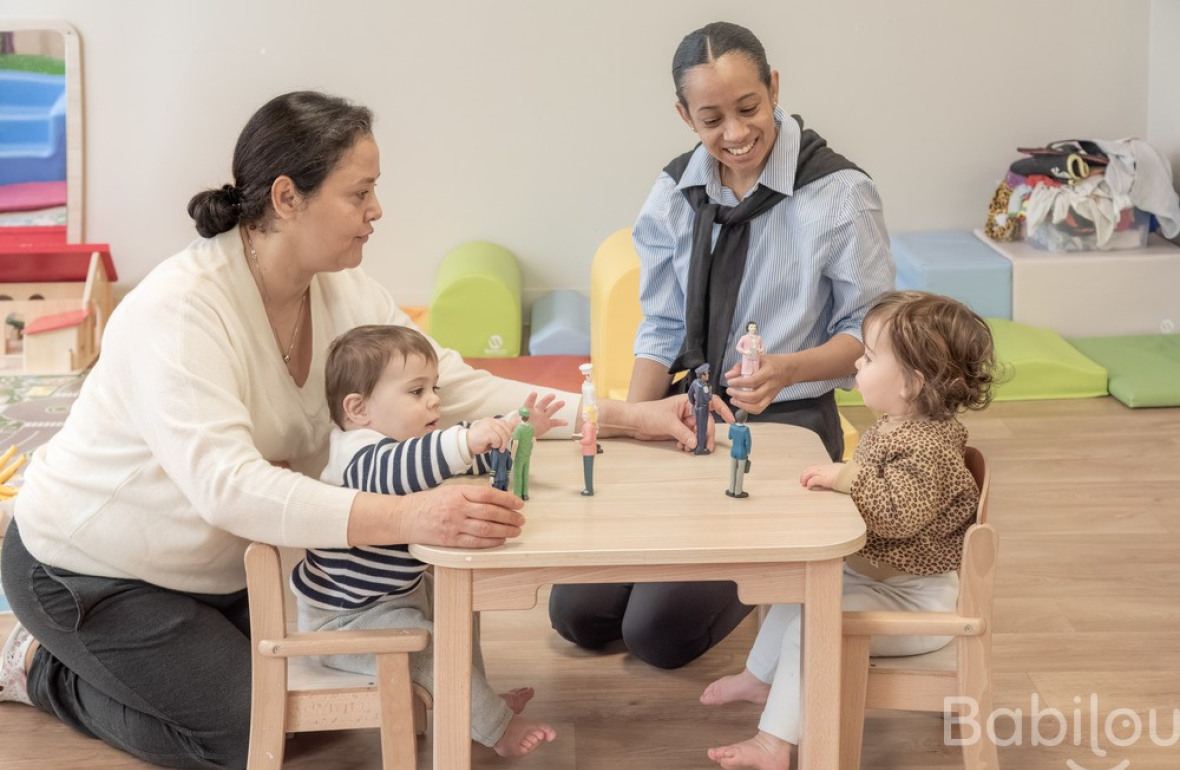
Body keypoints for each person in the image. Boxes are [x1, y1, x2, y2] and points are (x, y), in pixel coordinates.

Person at [0, 90, 714, 770]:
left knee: (343, 699)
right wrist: (411, 514)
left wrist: (625, 414)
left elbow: (459, 389)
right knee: (253, 732)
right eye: (359, 192)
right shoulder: (179, 312)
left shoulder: (341, 291)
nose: (377, 210)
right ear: (287, 197)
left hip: (223, 572)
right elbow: (228, 487)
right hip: (92, 569)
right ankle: (31, 666)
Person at [549, 21, 895, 670]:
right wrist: (629, 427)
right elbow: (659, 327)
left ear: (774, 88)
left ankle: (764, 588)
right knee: (580, 617)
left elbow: (872, 339)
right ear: (684, 115)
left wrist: (788, 368)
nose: (734, 135)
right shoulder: (675, 192)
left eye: (748, 108)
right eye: (711, 119)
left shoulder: (841, 194)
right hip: (691, 415)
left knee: (657, 638)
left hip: (786, 428)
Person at [700, 291, 996, 770]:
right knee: (796, 594)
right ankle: (761, 678)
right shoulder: (903, 425)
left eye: (872, 356)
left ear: (912, 384)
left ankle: (774, 742)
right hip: (880, 580)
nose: (858, 360)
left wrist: (848, 478)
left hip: (916, 604)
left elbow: (897, 513)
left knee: (809, 626)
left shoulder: (928, 448)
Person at [291, 325, 556, 758]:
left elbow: (451, 463)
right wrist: (467, 438)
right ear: (358, 409)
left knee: (458, 606)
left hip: (391, 602)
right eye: (416, 392)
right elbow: (408, 466)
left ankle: (474, 706)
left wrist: (512, 434)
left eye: (434, 388)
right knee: (437, 646)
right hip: (346, 623)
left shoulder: (406, 446)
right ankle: (496, 726)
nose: (434, 399)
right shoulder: (358, 457)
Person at [509, 408, 536, 501]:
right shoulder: (531, 428)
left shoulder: (518, 429)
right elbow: (533, 441)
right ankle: (525, 494)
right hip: (527, 454)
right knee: (525, 474)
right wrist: (529, 451)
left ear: (520, 417)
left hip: (519, 455)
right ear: (528, 417)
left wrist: (512, 455)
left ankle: (517, 494)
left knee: (518, 474)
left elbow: (515, 443)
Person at [726, 409, 752, 498]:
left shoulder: (732, 427)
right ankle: (738, 492)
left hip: (733, 452)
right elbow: (748, 443)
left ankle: (731, 490)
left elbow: (729, 437)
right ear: (745, 419)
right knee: (740, 473)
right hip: (742, 454)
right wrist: (748, 451)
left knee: (732, 471)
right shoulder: (745, 430)